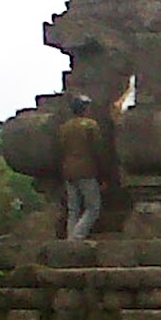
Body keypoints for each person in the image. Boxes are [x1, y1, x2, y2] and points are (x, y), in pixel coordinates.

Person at [58, 94, 105, 240]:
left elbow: (60, 148)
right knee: (93, 207)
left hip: (68, 171)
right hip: (86, 170)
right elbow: (98, 149)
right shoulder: (90, 125)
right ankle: (77, 237)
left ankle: (70, 237)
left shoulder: (64, 127)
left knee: (73, 209)